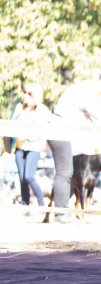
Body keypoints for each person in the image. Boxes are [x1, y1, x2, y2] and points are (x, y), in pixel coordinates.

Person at [49, 69, 101, 221]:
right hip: (60, 129)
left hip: (64, 130)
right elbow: (100, 122)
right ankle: (60, 213)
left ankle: (62, 210)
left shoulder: (85, 88)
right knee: (65, 172)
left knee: (69, 172)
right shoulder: (90, 94)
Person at [10, 82, 51, 210]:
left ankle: (41, 203)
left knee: (29, 176)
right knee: (22, 177)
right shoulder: (19, 108)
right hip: (19, 146)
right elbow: (11, 125)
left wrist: (28, 136)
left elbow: (42, 131)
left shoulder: (42, 110)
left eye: (30, 94)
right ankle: (25, 202)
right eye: (26, 93)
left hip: (33, 147)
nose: (26, 96)